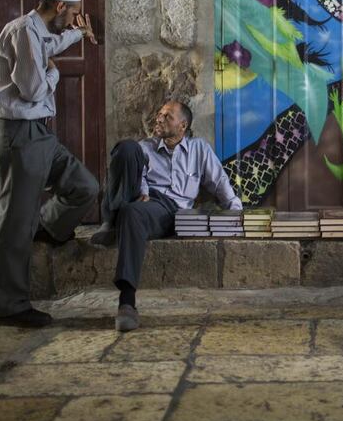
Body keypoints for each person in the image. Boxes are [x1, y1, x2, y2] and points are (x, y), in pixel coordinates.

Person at [0, 0, 99, 327]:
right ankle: (10, 306)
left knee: (85, 186)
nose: (76, 20)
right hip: (18, 134)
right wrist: (54, 72)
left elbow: (54, 41)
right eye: (74, 14)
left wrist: (79, 36)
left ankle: (48, 227)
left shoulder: (38, 30)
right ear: (60, 7)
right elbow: (33, 90)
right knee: (15, 222)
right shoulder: (23, 31)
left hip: (38, 134)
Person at [90, 100, 242, 331]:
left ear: (182, 125)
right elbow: (135, 174)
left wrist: (239, 215)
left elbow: (219, 181)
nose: (159, 118)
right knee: (127, 148)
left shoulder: (199, 149)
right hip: (145, 201)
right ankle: (111, 225)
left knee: (132, 213)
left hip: (171, 210)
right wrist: (142, 191)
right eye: (159, 113)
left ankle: (126, 297)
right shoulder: (145, 146)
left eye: (167, 116)